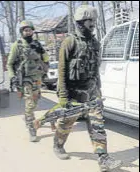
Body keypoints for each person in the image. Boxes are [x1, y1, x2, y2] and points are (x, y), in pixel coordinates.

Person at [34, 5, 122, 172]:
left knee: (97, 124)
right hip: (73, 93)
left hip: (91, 92)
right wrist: (63, 97)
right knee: (66, 124)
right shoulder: (70, 42)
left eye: (94, 21)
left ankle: (103, 158)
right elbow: (62, 70)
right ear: (81, 23)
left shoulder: (95, 43)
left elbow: (95, 69)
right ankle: (58, 145)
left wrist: (98, 90)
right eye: (91, 22)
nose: (93, 24)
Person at [7, 20, 56, 142]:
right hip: (25, 79)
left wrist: (42, 55)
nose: (28, 32)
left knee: (34, 101)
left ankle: (28, 117)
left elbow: (46, 59)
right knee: (30, 103)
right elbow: (9, 64)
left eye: (30, 30)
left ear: (33, 31)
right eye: (25, 30)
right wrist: (12, 77)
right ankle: (31, 127)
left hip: (37, 78)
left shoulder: (37, 44)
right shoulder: (17, 45)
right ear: (22, 32)